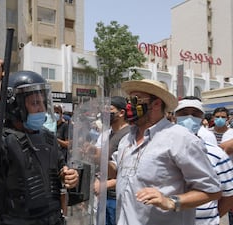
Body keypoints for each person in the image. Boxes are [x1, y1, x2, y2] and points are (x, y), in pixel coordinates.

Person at [0, 57, 79, 225]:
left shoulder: (47, 137)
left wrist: (68, 175)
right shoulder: (2, 141)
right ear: (15, 106)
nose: (41, 108)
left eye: (42, 102)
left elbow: (59, 170)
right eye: (34, 103)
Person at [109, 79, 221, 225]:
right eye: (128, 100)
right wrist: (97, 157)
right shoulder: (127, 139)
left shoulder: (181, 139)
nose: (129, 106)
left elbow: (212, 190)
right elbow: (116, 171)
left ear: (156, 104)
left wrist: (171, 202)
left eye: (135, 100)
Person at [174, 96, 233, 225]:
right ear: (174, 117)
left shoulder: (217, 155)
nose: (189, 118)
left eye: (195, 114)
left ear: (202, 120)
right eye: (183, 114)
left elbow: (228, 196)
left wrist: (210, 218)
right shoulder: (160, 150)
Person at [95, 96, 129, 225]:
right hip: (104, 196)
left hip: (117, 198)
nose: (105, 113)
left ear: (121, 113)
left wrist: (106, 185)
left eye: (109, 109)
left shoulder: (128, 135)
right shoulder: (108, 134)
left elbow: (127, 171)